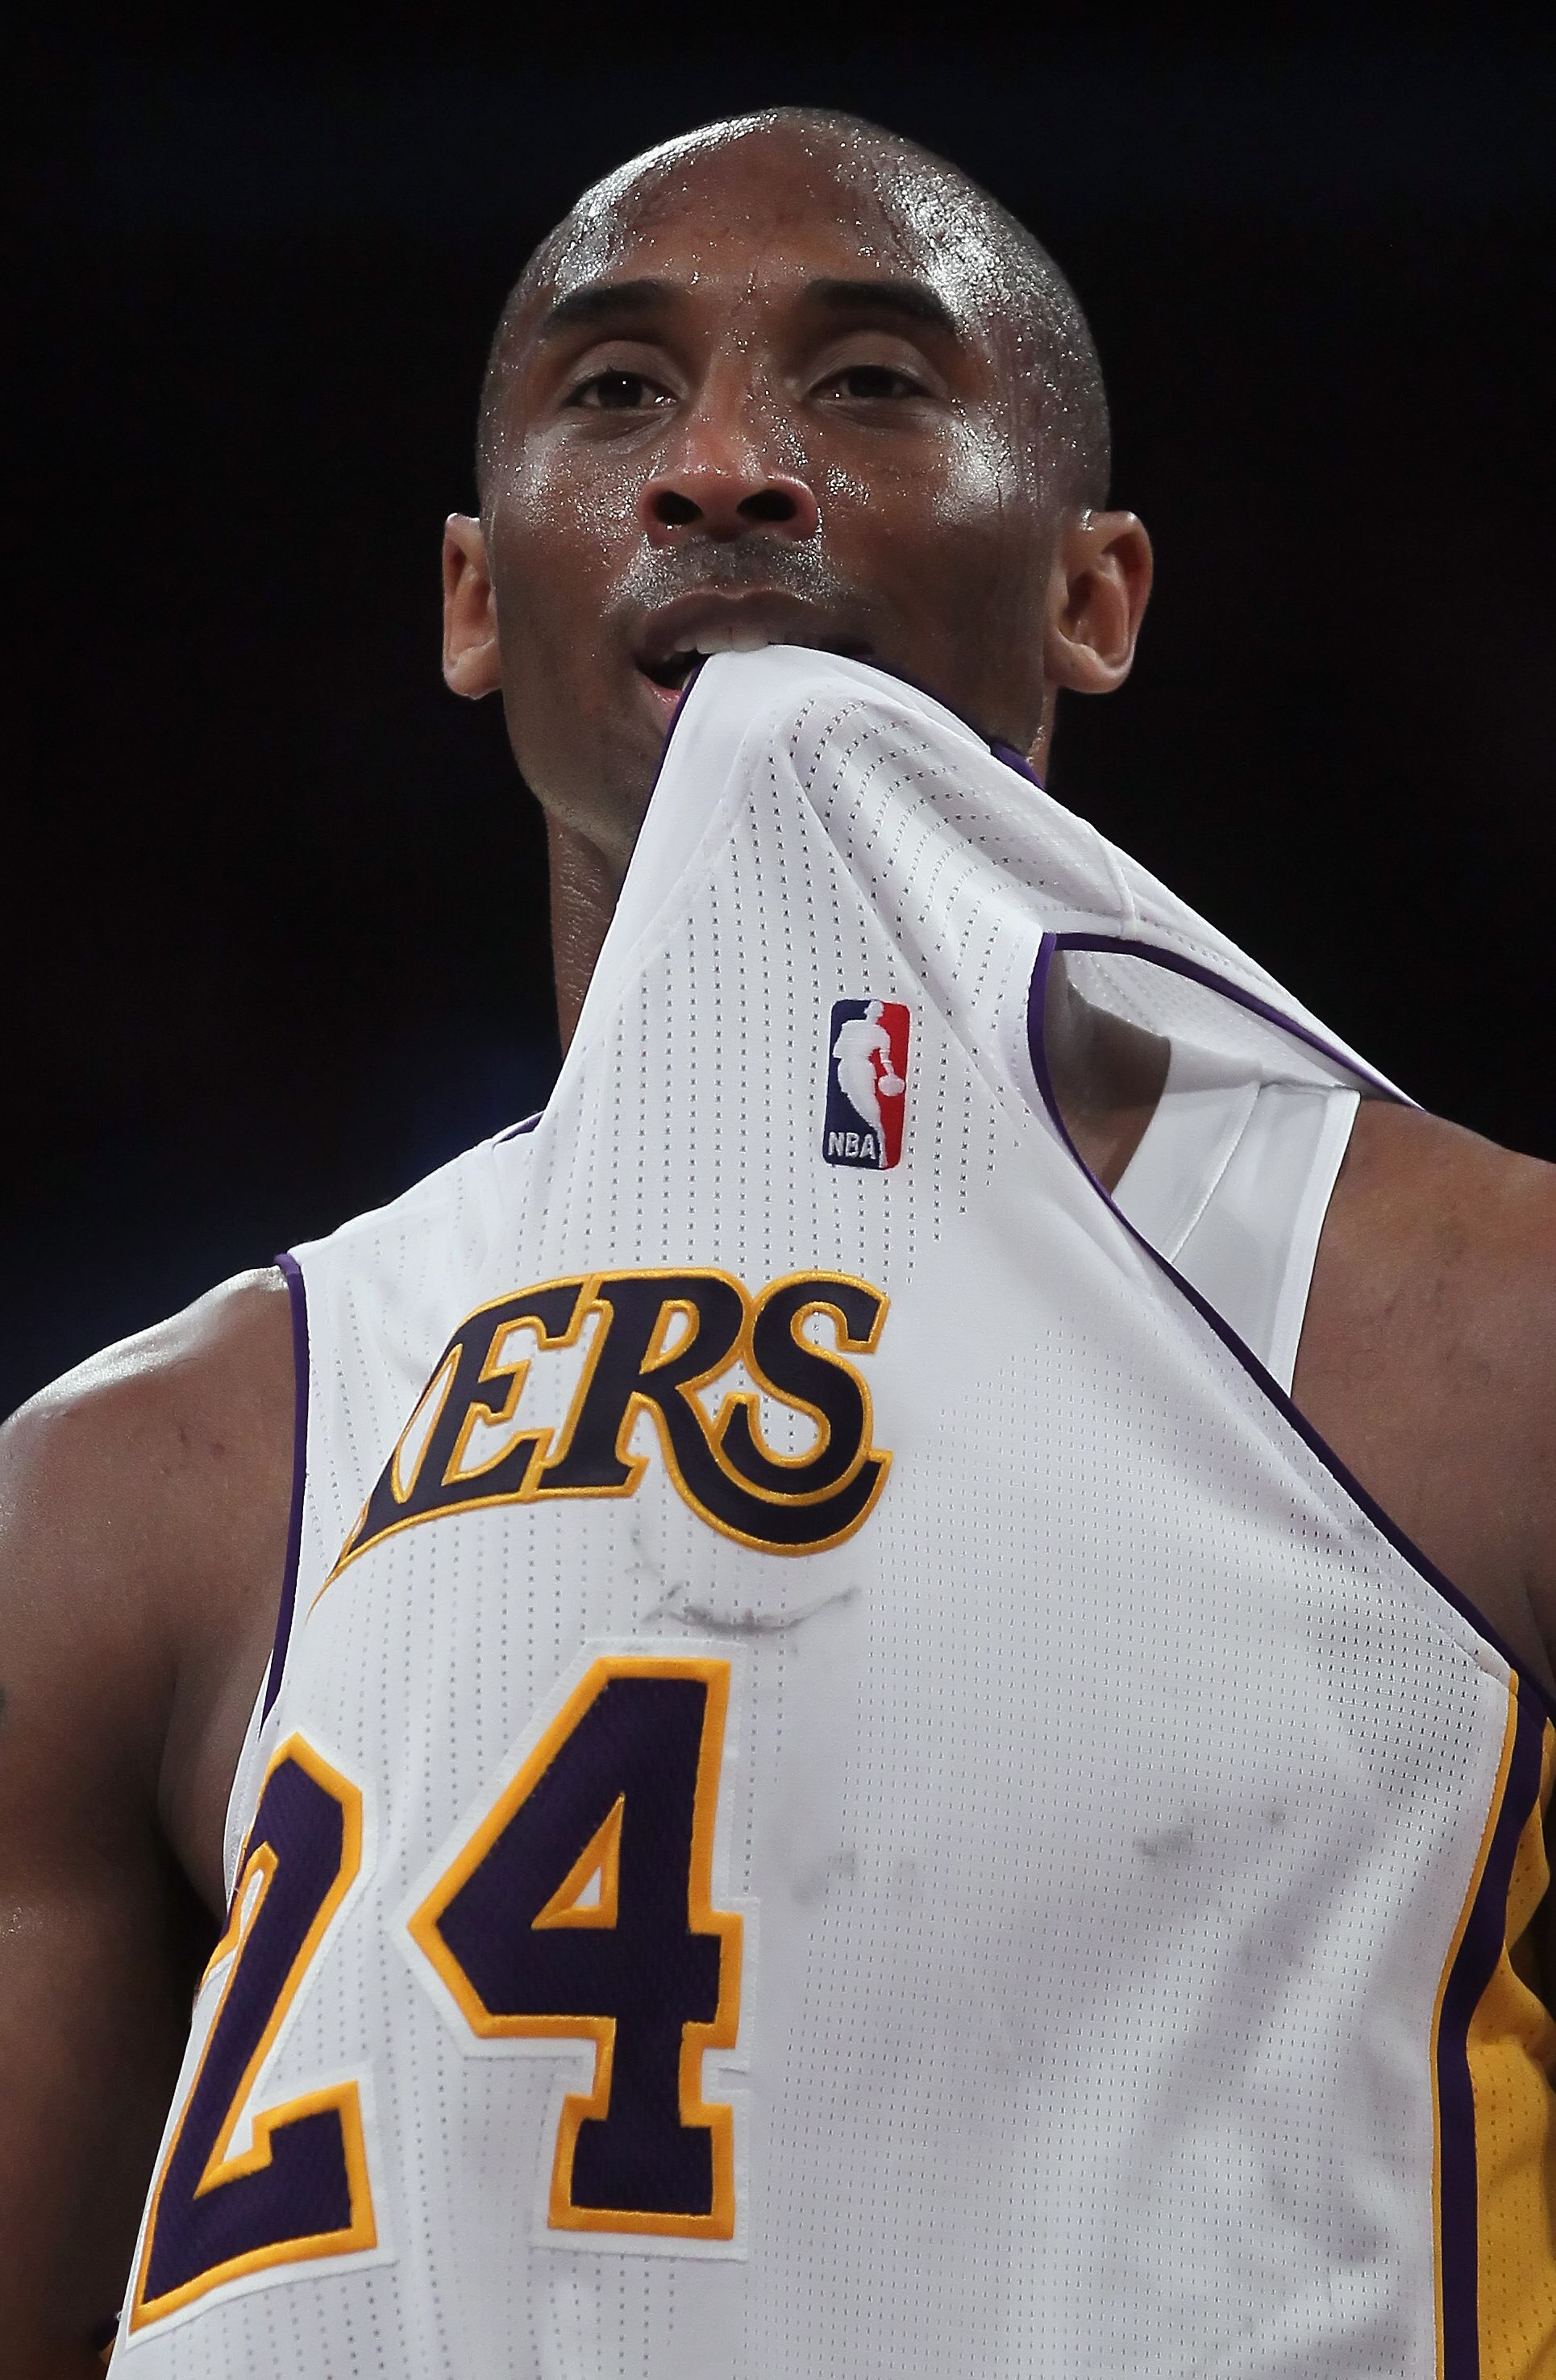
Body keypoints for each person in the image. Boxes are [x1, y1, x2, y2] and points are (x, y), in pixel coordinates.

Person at [3, 105, 1554, 2378]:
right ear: (467, 595)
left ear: (1090, 593)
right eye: (614, 390)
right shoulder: (151, 1482)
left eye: (867, 385)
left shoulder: (1477, 1333)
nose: (721, 465)